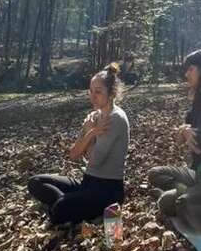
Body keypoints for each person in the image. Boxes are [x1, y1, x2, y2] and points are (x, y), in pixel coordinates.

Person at [28, 63, 129, 225]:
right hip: (87, 183)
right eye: (91, 91)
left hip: (107, 190)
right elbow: (74, 154)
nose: (92, 96)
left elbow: (94, 161)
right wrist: (91, 132)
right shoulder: (94, 117)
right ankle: (66, 204)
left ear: (111, 93)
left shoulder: (115, 118)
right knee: (35, 182)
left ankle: (64, 206)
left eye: (98, 92)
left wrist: (89, 136)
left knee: (60, 209)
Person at [148, 49, 201, 213]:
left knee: (168, 203)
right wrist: (184, 131)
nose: (186, 74)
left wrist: (189, 132)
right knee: (154, 173)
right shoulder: (199, 97)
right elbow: (180, 138)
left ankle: (183, 195)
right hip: (196, 172)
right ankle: (184, 191)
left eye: (191, 69)